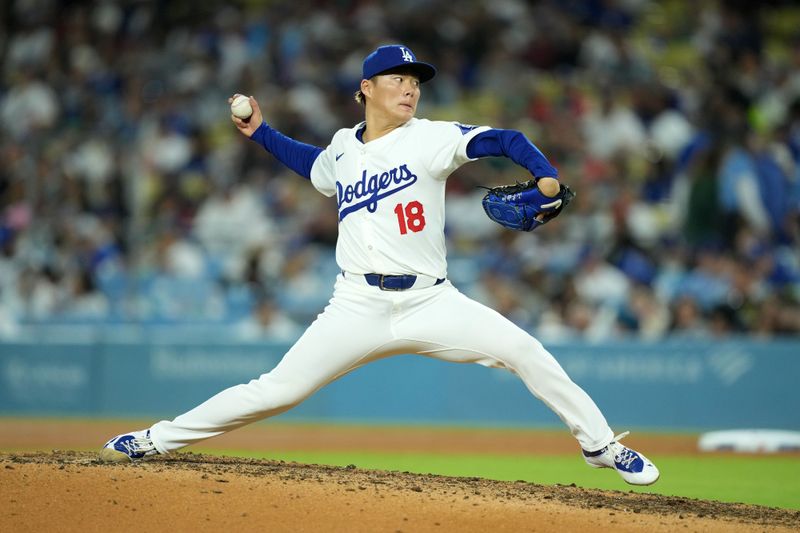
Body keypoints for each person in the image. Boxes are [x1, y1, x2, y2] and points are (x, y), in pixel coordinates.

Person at [101, 44, 659, 486]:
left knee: (525, 351)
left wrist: (546, 176)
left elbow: (505, 138)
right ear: (365, 88)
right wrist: (261, 133)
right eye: (397, 78)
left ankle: (600, 445)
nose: (410, 87)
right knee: (276, 390)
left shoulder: (433, 139)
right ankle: (156, 438)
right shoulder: (344, 148)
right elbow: (313, 164)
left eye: (415, 80)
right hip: (357, 304)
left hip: (431, 300)